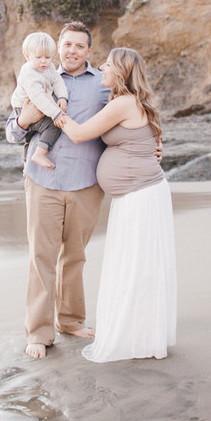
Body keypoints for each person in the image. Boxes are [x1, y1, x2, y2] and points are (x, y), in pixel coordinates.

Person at [55, 47, 176, 363]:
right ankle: (144, 336)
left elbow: (80, 133)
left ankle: (137, 337)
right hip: (140, 195)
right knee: (140, 266)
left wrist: (52, 112)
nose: (101, 68)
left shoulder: (123, 103)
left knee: (137, 267)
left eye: (106, 64)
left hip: (140, 195)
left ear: (120, 72)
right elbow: (149, 140)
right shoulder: (127, 102)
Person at [6, 21, 110, 359]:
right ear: (57, 46)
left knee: (75, 256)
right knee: (41, 258)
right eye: (66, 44)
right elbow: (12, 131)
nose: (72, 51)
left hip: (86, 182)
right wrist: (24, 120)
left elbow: (128, 118)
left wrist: (152, 146)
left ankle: (71, 320)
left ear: (89, 51)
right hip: (42, 182)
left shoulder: (104, 86)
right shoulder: (37, 76)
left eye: (79, 46)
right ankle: (38, 332)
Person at [10, 32, 68, 169]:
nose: (44, 61)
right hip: (24, 107)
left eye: (48, 57)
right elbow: (39, 98)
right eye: (39, 57)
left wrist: (62, 97)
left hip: (38, 103)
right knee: (53, 126)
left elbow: (57, 81)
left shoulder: (49, 67)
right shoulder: (29, 74)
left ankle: (26, 165)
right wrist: (56, 114)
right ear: (27, 56)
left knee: (31, 136)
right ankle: (40, 154)